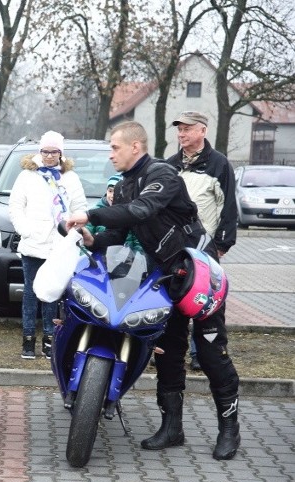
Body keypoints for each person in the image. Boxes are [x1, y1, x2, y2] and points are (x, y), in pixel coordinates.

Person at [65, 120, 241, 461]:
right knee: (169, 349)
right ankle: (172, 427)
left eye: (115, 148)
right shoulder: (128, 184)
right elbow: (116, 234)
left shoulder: (162, 174)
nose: (110, 155)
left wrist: (88, 214)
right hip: (163, 275)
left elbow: (141, 210)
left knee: (209, 352)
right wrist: (93, 239)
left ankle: (229, 429)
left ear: (135, 147)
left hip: (196, 272)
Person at [167, 111, 238, 372]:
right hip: (173, 247)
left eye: (187, 129)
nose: (181, 134)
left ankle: (201, 353)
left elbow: (228, 207)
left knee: (203, 301)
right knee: (173, 298)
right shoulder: (171, 164)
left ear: (202, 131)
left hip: (204, 248)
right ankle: (169, 349)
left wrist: (221, 244)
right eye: (179, 130)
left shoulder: (219, 164)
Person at [9, 131, 87, 359]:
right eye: (45, 151)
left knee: (53, 292)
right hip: (33, 241)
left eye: (53, 152)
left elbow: (79, 206)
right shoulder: (27, 176)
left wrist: (72, 233)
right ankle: (28, 339)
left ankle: (50, 339)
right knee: (31, 292)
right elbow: (16, 206)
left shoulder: (70, 178)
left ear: (61, 153)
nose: (49, 156)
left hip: (58, 243)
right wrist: (26, 229)